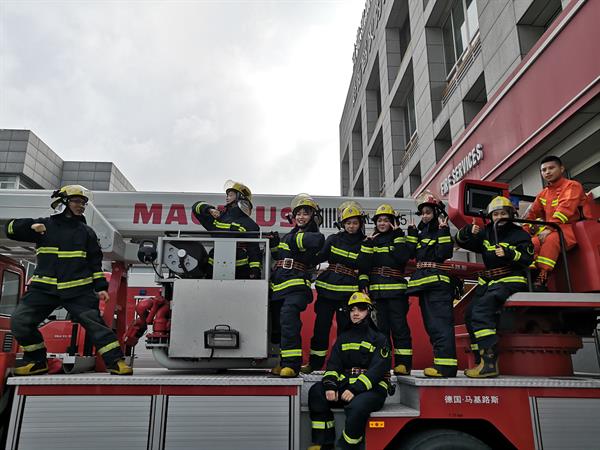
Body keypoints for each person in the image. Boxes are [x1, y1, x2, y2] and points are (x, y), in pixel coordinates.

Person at [6, 185, 132, 376]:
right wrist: (29, 227)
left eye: (83, 203)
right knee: (19, 322)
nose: (81, 206)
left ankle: (116, 362)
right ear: (63, 203)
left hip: (78, 291)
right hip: (43, 290)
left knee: (96, 326)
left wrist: (101, 287)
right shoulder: (43, 226)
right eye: (77, 201)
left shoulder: (87, 232)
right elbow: (10, 228)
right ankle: (37, 362)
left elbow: (94, 263)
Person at [455, 196, 534, 377]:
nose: (499, 217)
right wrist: (467, 231)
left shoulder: (519, 234)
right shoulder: (487, 232)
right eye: (496, 214)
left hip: (510, 280)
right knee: (470, 314)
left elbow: (527, 258)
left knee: (481, 311)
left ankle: (490, 363)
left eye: (503, 213)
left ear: (511, 214)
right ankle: (480, 360)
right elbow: (461, 242)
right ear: (490, 216)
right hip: (490, 283)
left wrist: (508, 253)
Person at [307, 292, 390, 450]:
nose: (355, 313)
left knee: (357, 407)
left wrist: (355, 389)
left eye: (361, 309)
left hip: (372, 390)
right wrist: (330, 385)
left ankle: (346, 446)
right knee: (317, 392)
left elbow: (377, 370)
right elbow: (333, 365)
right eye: (352, 310)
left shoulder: (379, 339)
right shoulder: (343, 338)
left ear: (369, 311)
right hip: (346, 388)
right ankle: (324, 443)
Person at [302, 202, 371, 374]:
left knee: (345, 331)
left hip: (347, 293)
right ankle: (315, 364)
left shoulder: (365, 243)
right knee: (321, 329)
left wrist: (363, 283)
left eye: (354, 223)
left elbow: (364, 267)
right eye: (348, 223)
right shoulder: (333, 239)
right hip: (327, 291)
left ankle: (343, 366)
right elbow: (319, 257)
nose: (351, 226)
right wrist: (305, 256)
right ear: (343, 224)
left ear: (360, 224)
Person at [269, 194, 325, 377]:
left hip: (296, 287)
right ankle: (283, 362)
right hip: (279, 286)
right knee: (279, 326)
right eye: (298, 213)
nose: (301, 217)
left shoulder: (314, 235)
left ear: (313, 216)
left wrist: (289, 240)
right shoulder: (290, 235)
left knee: (289, 321)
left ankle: (292, 365)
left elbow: (312, 242)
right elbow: (280, 256)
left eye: (305, 213)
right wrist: (275, 245)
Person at [406, 191, 457, 378]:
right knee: (432, 326)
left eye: (428, 212)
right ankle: (441, 364)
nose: (425, 216)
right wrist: (412, 234)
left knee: (440, 325)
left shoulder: (441, 230)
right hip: (426, 286)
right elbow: (411, 255)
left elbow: (444, 253)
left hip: (438, 286)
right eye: (423, 213)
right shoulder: (422, 233)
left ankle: (446, 368)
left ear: (436, 212)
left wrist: (443, 231)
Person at [524, 156, 588, 290]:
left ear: (562, 169)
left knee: (551, 240)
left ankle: (543, 276)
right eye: (544, 170)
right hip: (552, 229)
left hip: (571, 229)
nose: (547, 172)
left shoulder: (572, 186)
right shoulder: (543, 194)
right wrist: (524, 233)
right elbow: (531, 214)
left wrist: (549, 228)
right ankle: (529, 274)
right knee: (531, 242)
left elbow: (565, 209)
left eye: (551, 168)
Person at [362, 204, 412, 376]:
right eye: (379, 220)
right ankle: (382, 366)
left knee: (399, 329)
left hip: (396, 292)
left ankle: (403, 364)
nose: (382, 223)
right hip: (377, 294)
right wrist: (367, 245)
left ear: (393, 222)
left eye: (386, 220)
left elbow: (402, 257)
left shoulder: (398, 237)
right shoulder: (372, 240)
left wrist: (398, 236)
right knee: (380, 331)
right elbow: (364, 265)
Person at [192, 180, 261, 279]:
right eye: (227, 195)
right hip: (213, 269)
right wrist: (209, 209)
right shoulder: (219, 217)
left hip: (239, 272)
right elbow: (196, 207)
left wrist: (255, 272)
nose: (227, 197)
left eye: (231, 195)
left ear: (240, 197)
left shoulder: (250, 224)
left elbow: (253, 251)